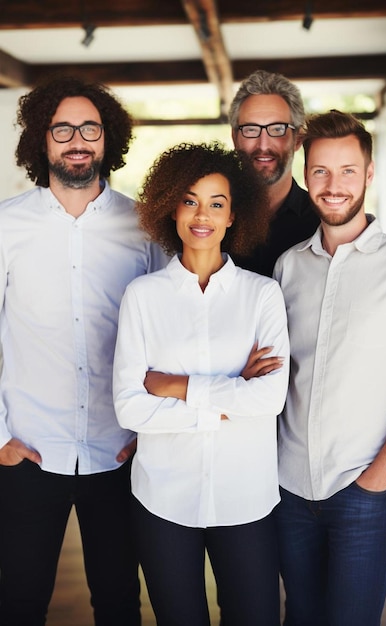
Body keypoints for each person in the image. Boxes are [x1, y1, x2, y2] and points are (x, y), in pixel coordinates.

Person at [0, 75, 167, 626]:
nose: (77, 139)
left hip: (119, 453)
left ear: (107, 137)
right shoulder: (6, 225)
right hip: (28, 452)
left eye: (90, 128)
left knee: (120, 604)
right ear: (41, 141)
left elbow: (169, 336)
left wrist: (150, 430)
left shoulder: (146, 227)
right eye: (63, 128)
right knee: (18, 604)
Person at [113, 142, 290, 626]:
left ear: (234, 216)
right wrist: (231, 396)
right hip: (163, 499)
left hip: (246, 498)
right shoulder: (142, 297)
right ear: (171, 206)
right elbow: (130, 408)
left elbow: (270, 398)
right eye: (190, 200)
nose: (202, 215)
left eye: (216, 203)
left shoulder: (263, 295)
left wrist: (173, 386)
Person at [273, 110, 386, 626]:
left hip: (363, 492)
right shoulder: (288, 267)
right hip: (288, 491)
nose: (333, 186)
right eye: (320, 171)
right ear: (304, 174)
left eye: (348, 171)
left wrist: (374, 483)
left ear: (370, 174)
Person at [229, 69, 319, 276]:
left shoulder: (322, 222)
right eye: (251, 129)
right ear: (235, 137)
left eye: (278, 129)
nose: (263, 144)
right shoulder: (209, 216)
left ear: (297, 139)